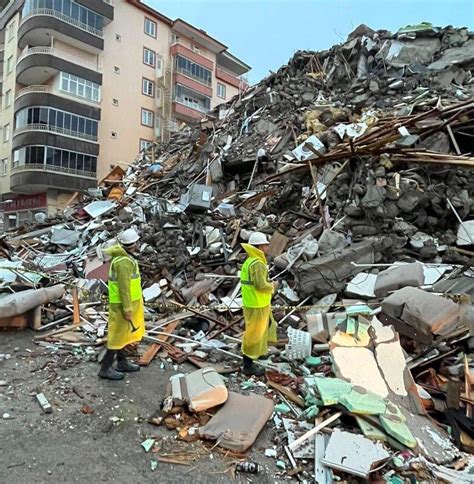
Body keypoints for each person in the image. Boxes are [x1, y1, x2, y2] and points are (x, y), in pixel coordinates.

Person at [98, 228, 145, 380]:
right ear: (134, 243)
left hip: (127, 302)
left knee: (124, 335)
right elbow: (124, 287)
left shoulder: (124, 257)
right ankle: (105, 368)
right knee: (117, 337)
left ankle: (122, 362)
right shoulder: (124, 262)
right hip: (122, 305)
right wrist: (127, 308)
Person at [240, 232, 279, 376]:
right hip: (257, 304)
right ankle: (248, 364)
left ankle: (260, 352)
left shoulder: (250, 261)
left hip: (253, 303)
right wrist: (273, 285)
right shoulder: (258, 264)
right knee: (254, 334)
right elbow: (261, 285)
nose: (268, 248)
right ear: (260, 247)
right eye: (266, 245)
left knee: (267, 326)